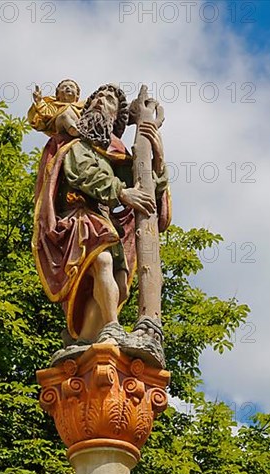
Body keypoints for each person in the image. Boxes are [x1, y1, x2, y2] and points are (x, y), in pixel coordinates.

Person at [32, 84, 171, 350]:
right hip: (78, 218)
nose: (100, 102)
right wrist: (121, 192)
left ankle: (87, 338)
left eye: (108, 101)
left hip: (104, 220)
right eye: (96, 98)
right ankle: (112, 328)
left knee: (122, 285)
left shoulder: (115, 155)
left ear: (115, 118)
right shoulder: (74, 143)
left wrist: (159, 157)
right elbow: (81, 172)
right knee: (103, 261)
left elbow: (147, 186)